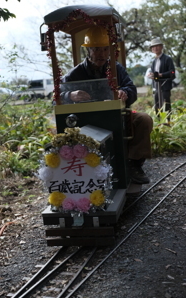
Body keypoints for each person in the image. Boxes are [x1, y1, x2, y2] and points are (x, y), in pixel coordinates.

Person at [60, 26, 153, 184]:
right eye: (96, 50)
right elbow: (56, 97)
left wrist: (124, 92)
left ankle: (134, 164)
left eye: (105, 49)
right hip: (87, 121)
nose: (101, 54)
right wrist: (70, 95)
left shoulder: (116, 68)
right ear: (89, 51)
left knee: (144, 119)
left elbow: (131, 89)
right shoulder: (75, 74)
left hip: (116, 115)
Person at [148, 38, 175, 122]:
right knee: (157, 105)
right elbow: (153, 72)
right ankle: (160, 123)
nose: (155, 48)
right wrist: (151, 75)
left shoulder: (167, 59)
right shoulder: (154, 61)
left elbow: (172, 72)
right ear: (152, 49)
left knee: (166, 105)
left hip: (165, 86)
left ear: (161, 47)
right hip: (156, 87)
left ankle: (168, 122)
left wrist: (161, 75)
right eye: (153, 47)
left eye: (157, 46)